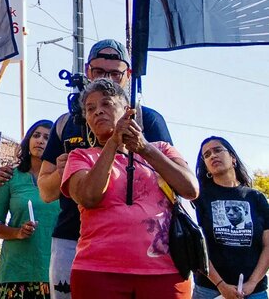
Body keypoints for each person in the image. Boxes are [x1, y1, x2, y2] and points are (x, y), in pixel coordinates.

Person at [0, 39, 172, 299]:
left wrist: (142, 148)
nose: (107, 78)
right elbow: (45, 191)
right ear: (88, 72)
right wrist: (62, 172)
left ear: (128, 76)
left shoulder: (149, 120)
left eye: (115, 73)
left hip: (141, 242)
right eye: (99, 72)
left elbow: (179, 183)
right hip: (73, 239)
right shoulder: (66, 124)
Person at [61, 79, 198, 299]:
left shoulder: (161, 149)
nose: (98, 112)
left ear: (127, 111)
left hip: (164, 271)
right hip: (98, 272)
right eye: (90, 108)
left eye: (106, 104)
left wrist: (144, 148)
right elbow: (89, 197)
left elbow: (190, 189)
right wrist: (112, 144)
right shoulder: (81, 157)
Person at [0, 120, 60, 299]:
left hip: (54, 272)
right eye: (36, 135)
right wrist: (18, 232)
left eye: (47, 138)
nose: (40, 141)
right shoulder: (9, 177)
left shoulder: (64, 178)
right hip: (15, 273)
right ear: (28, 140)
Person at [193, 136, 269, 299]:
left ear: (233, 158)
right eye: (206, 155)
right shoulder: (198, 198)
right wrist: (221, 285)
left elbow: (268, 246)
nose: (212, 155)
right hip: (209, 290)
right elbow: (195, 247)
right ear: (205, 166)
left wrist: (252, 283)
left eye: (218, 150)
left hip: (254, 292)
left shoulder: (256, 198)